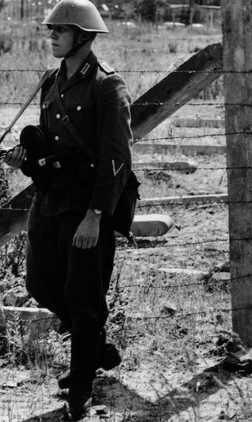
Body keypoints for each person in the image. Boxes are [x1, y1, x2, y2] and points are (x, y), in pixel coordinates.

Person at [1, 1, 130, 419]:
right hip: (50, 200)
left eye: (61, 30)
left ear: (84, 37)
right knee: (40, 284)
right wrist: (25, 162)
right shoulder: (51, 80)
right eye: (51, 29)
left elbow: (115, 157)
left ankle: (81, 389)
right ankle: (95, 346)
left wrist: (96, 214)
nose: (52, 36)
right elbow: (51, 149)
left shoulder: (107, 86)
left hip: (85, 205)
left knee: (82, 296)